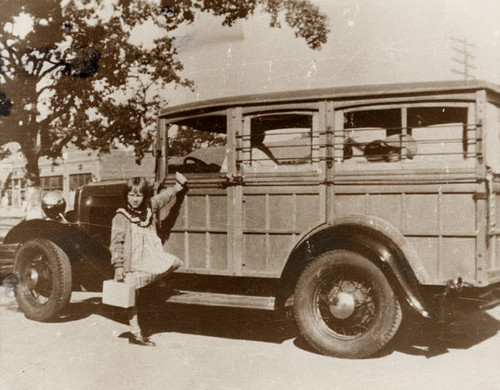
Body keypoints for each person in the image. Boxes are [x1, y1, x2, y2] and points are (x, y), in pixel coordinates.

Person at [110, 172, 187, 346]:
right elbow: (116, 242)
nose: (135, 199)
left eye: (138, 195)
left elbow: (162, 198)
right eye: (131, 195)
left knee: (168, 264)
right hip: (132, 261)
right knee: (130, 296)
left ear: (144, 196)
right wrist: (118, 265)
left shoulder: (148, 207)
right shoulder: (121, 216)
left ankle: (145, 324)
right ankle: (136, 333)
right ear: (126, 196)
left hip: (149, 256)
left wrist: (177, 188)